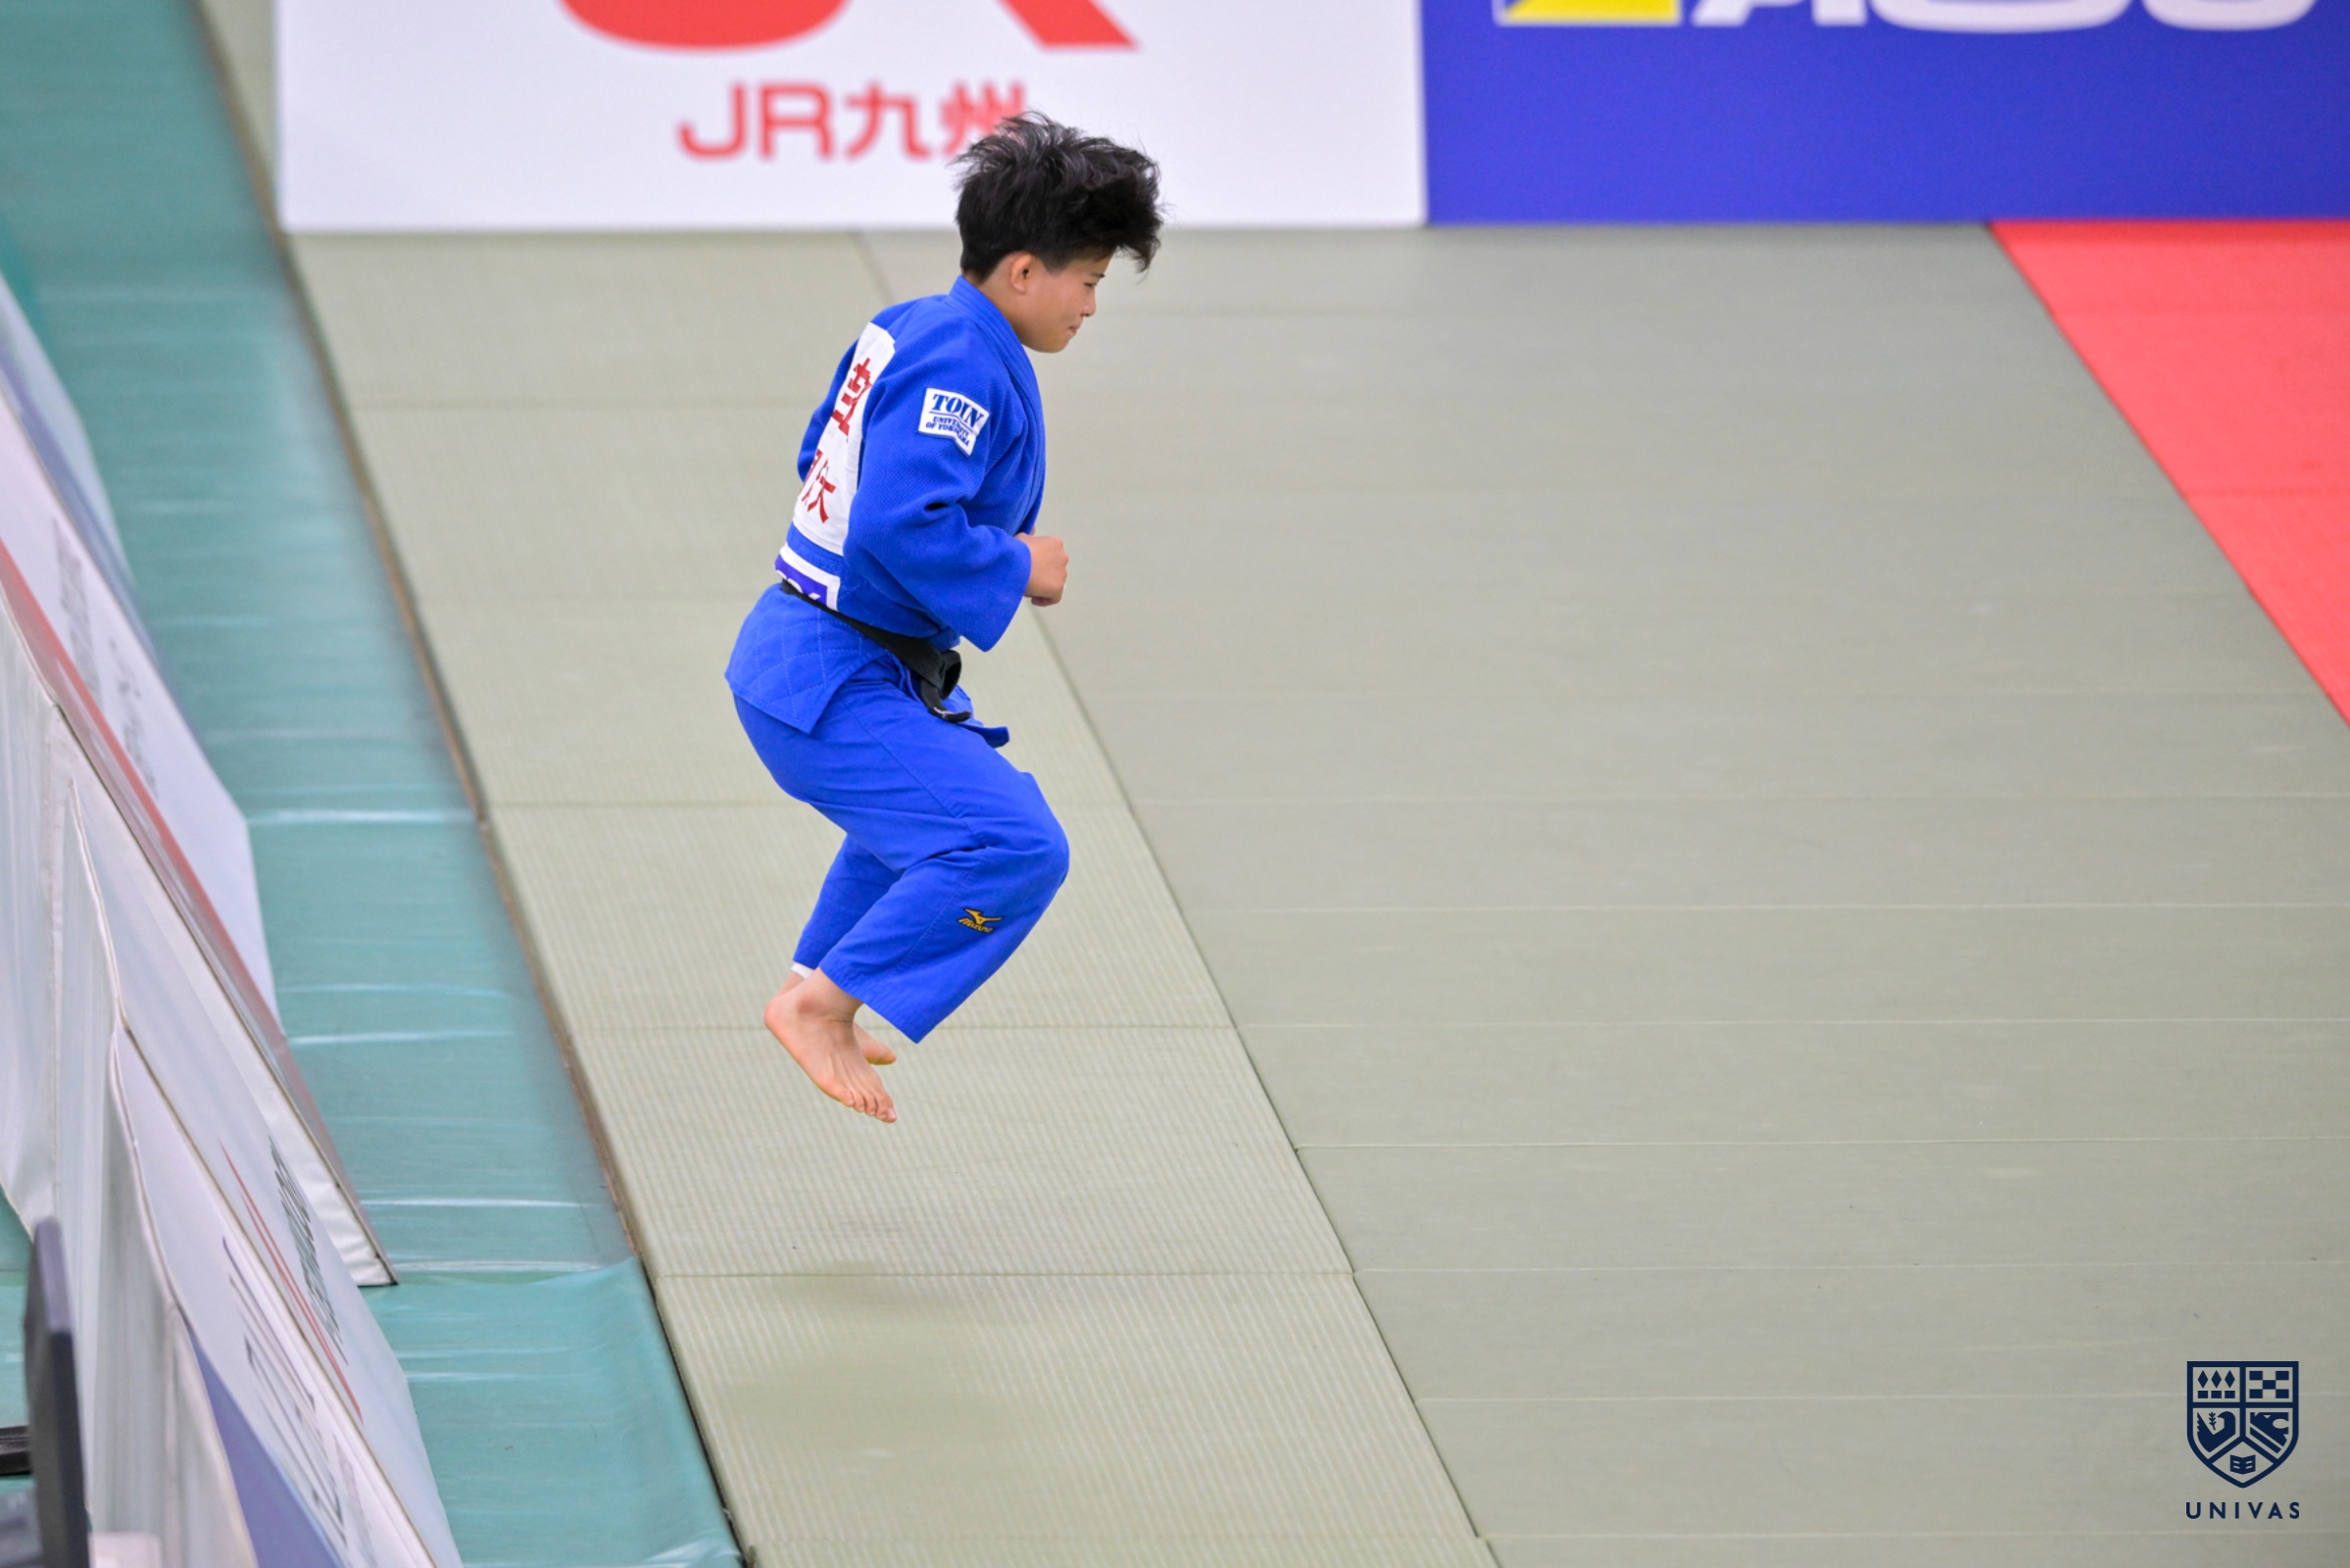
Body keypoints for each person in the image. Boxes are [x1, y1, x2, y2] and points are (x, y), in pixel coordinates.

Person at [724, 114, 1164, 1124]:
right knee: (1012, 844)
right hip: (827, 678)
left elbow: (823, 461)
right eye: (1088, 279)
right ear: (1024, 271)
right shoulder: (962, 362)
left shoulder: (910, 327)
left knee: (926, 828)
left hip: (829, 659)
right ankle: (820, 1006)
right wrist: (1014, 564)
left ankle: (813, 983)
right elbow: (897, 517)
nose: (1092, 305)